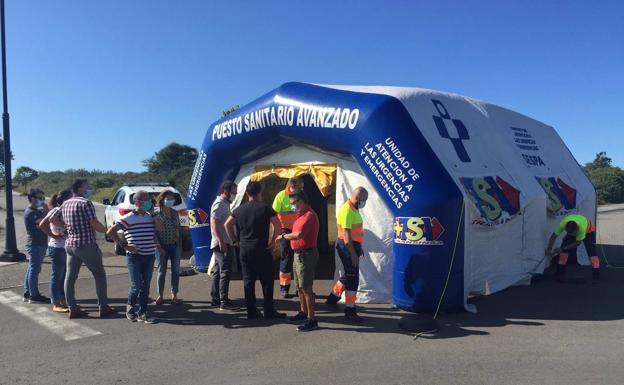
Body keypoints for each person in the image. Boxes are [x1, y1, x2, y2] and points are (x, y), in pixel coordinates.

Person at [50, 178, 115, 319]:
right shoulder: (85, 203)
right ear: (80, 188)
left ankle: (72, 307)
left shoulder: (65, 203)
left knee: (70, 277)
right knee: (99, 274)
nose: (89, 189)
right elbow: (94, 223)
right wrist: (107, 230)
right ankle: (103, 306)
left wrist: (65, 227)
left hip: (70, 245)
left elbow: (52, 219)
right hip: (86, 244)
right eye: (87, 186)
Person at [224, 181, 286, 320]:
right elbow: (277, 224)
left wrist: (235, 241)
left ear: (247, 194)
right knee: (267, 280)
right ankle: (268, 310)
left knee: (248, 280)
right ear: (260, 193)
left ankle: (251, 311)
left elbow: (227, 224)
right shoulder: (265, 208)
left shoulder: (239, 210)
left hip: (245, 249)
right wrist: (273, 240)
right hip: (262, 248)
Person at [107, 190, 162, 324]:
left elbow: (161, 229)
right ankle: (130, 309)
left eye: (150, 200)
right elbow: (110, 232)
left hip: (149, 255)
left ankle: (143, 313)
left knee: (146, 285)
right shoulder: (128, 218)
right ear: (138, 202)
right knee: (136, 285)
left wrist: (153, 214)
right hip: (134, 256)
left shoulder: (151, 217)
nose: (150, 202)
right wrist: (124, 245)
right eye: (147, 199)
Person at [325, 187, 368, 323]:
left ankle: (332, 299)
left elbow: (355, 233)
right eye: (364, 200)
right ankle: (350, 311)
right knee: (352, 279)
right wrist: (353, 255)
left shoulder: (354, 208)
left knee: (348, 275)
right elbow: (347, 238)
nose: (364, 203)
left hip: (352, 246)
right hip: (347, 246)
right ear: (358, 198)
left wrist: (358, 248)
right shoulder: (348, 210)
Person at [279, 191, 320, 332]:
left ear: (302, 201)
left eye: (294, 203)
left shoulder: (309, 216)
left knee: (306, 288)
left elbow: (298, 234)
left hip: (306, 255)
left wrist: (283, 236)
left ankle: (312, 320)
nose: (292, 207)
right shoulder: (300, 216)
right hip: (298, 255)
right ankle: (303, 313)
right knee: (299, 286)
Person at [39, 190, 73, 312]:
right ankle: (56, 303)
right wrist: (55, 236)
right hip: (57, 247)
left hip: (65, 247)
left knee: (63, 276)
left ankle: (62, 300)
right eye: (71, 197)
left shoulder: (64, 211)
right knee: (57, 276)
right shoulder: (55, 210)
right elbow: (43, 225)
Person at [272, 176, 304, 297]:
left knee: (299, 258)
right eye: (299, 187)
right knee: (286, 257)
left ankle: (299, 287)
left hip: (298, 229)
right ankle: (284, 287)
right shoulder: (281, 195)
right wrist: (286, 213)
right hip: (285, 230)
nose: (301, 189)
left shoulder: (301, 195)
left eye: (301, 187)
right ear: (292, 186)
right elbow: (274, 213)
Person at [546, 213, 600, 282]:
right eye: (568, 232)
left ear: (576, 229)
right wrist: (549, 248)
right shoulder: (563, 223)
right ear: (566, 227)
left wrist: (562, 248)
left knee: (592, 253)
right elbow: (554, 236)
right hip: (574, 226)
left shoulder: (581, 229)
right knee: (563, 252)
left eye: (572, 233)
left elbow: (578, 243)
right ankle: (560, 273)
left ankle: (596, 275)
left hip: (589, 231)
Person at [209, 180, 238, 310]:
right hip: (223, 243)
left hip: (224, 241)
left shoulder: (225, 203)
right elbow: (213, 222)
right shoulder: (220, 203)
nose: (235, 195)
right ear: (226, 191)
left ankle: (216, 297)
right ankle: (223, 301)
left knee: (217, 271)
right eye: (233, 192)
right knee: (225, 271)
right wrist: (221, 240)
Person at [153, 190, 183, 305]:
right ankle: (160, 295)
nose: (170, 201)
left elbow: (179, 228)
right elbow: (154, 233)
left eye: (172, 199)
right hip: (161, 246)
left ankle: (174, 294)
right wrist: (158, 246)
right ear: (162, 200)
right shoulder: (157, 214)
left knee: (175, 271)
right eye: (168, 199)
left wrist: (179, 240)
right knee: (161, 271)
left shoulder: (175, 213)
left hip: (175, 246)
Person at [22, 189, 50, 304]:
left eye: (43, 198)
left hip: (37, 243)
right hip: (36, 244)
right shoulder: (31, 212)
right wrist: (47, 210)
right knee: (34, 269)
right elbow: (43, 223)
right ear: (32, 198)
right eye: (40, 198)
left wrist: (44, 210)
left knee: (32, 268)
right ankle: (34, 295)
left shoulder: (35, 210)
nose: (42, 200)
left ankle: (28, 292)